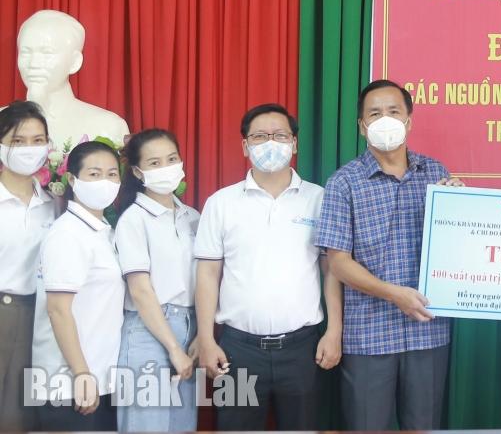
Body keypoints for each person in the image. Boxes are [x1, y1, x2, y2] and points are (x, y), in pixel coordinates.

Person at [316, 80, 463, 430]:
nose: (385, 120)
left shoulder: (436, 174)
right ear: (361, 126)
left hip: (428, 330)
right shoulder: (344, 183)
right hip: (368, 335)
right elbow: (338, 263)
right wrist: (393, 294)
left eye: (393, 112)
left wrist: (460, 206)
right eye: (375, 113)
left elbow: (455, 249)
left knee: (423, 427)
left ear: (409, 120)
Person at [194, 103, 342, 431]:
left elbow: (331, 269)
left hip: (303, 350)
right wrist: (206, 339)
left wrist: (334, 332)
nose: (270, 143)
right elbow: (207, 274)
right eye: (260, 136)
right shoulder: (221, 203)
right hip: (237, 351)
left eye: (280, 136)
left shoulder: (319, 199)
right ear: (245, 146)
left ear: (295, 144)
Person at [30, 140, 125, 430]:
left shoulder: (102, 232)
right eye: (94, 174)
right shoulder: (68, 234)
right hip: (69, 382)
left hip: (98, 377)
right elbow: (58, 310)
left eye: (112, 174)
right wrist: (82, 374)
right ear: (72, 180)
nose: (105, 182)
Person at [114, 129, 199, 431]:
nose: (166, 168)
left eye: (171, 159)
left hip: (189, 327)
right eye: (154, 163)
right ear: (138, 172)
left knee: (181, 426)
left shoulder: (192, 217)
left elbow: (205, 278)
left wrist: (200, 335)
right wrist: (173, 348)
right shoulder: (133, 219)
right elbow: (140, 290)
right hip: (148, 330)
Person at [0, 101, 58, 430]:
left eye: (38, 140)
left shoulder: (56, 201)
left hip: (43, 316)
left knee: (26, 413)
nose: (28, 149)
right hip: (4, 309)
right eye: (17, 141)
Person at [15, 9, 130, 145]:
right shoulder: (2, 122)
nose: (33, 64)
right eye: (26, 53)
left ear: (75, 62)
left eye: (47, 53)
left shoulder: (107, 127)